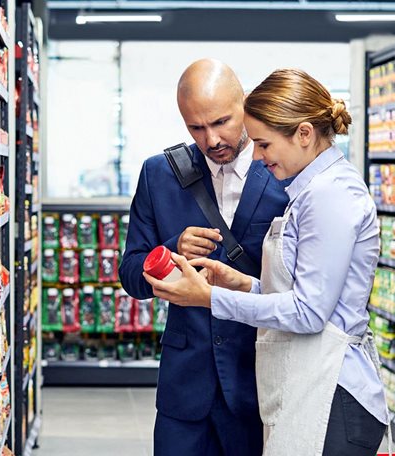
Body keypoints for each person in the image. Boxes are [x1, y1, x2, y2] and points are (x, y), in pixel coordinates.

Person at [143, 68, 389, 456]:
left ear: (304, 134)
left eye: (264, 144)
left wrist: (209, 298)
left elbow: (308, 313)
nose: (256, 155)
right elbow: (304, 296)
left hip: (332, 392)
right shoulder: (310, 192)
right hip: (309, 384)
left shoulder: (329, 196)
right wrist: (241, 284)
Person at [118, 59, 290, 456]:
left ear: (244, 103)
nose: (212, 139)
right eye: (196, 127)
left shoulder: (283, 171)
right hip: (185, 386)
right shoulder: (159, 174)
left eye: (222, 121)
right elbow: (131, 273)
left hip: (260, 380)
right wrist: (170, 251)